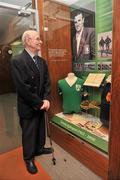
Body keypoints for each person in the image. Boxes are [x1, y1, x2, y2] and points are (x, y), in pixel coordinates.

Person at [11, 30, 53, 174]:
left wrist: (46, 99)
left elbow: (47, 81)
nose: (40, 41)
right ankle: (29, 158)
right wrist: (39, 102)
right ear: (28, 41)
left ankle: (39, 148)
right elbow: (23, 88)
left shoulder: (42, 61)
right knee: (29, 132)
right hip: (29, 106)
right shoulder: (17, 60)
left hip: (42, 103)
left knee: (41, 128)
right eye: (37, 39)